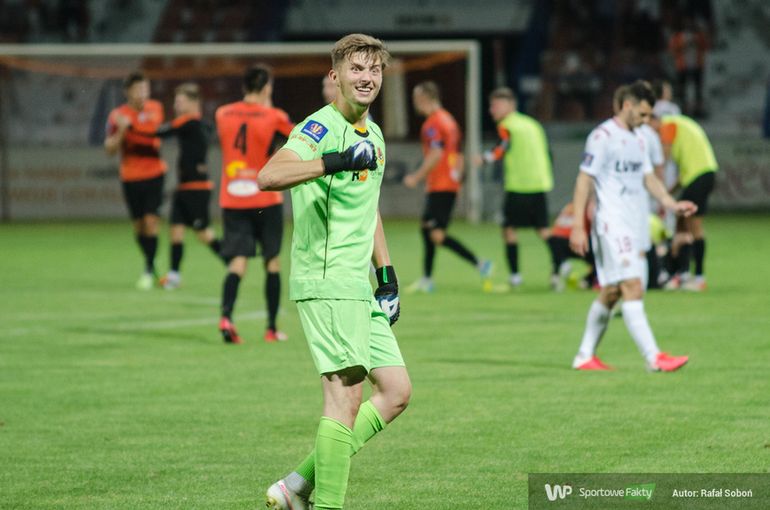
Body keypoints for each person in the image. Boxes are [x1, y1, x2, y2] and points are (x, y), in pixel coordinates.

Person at [257, 34, 411, 510]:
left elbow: (368, 207)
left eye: (374, 70)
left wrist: (386, 275)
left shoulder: (374, 134)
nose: (367, 78)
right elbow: (268, 176)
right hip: (326, 282)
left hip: (358, 284)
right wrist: (331, 162)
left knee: (396, 392)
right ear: (335, 76)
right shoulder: (318, 128)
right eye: (356, 69)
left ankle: (295, 487)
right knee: (345, 398)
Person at [569, 81, 696, 372]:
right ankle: (654, 358)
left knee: (612, 291)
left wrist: (671, 203)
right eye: (642, 114)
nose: (646, 120)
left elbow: (648, 177)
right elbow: (584, 180)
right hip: (611, 223)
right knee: (633, 286)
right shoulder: (602, 137)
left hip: (635, 224)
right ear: (626, 106)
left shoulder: (641, 138)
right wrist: (577, 225)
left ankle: (584, 355)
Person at [215, 64, 295, 344]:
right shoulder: (274, 116)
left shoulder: (222, 113)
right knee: (271, 261)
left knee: (238, 261)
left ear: (244, 86)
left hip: (233, 195)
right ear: (267, 87)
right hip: (265, 196)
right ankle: (271, 328)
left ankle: (226, 317)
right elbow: (298, 137)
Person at [131, 82, 223, 290]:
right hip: (185, 186)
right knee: (176, 231)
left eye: (180, 101)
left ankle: (231, 261)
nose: (176, 105)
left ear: (194, 103)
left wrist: (131, 127)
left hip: (197, 187)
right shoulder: (203, 125)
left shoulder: (189, 122)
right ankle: (173, 276)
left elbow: (159, 132)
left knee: (203, 233)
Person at [403, 81, 492, 293]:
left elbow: (436, 154)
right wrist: (457, 181)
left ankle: (480, 264)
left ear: (424, 98)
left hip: (440, 185)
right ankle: (428, 278)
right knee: (428, 230)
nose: (415, 103)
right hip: (447, 185)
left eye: (416, 98)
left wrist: (416, 177)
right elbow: (458, 155)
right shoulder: (449, 120)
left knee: (436, 234)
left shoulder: (433, 123)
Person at [477, 87, 561, 289]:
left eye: (496, 105)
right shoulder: (533, 124)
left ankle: (515, 276)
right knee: (543, 230)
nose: (492, 110)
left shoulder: (508, 125)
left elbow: (501, 148)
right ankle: (559, 267)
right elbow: (549, 153)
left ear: (510, 105)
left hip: (519, 185)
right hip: (539, 183)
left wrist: (484, 159)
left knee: (509, 230)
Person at [105, 71, 166, 290]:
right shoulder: (117, 115)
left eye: (145, 89)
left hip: (154, 174)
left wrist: (130, 125)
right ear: (128, 92)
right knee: (139, 227)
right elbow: (109, 149)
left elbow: (152, 133)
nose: (142, 93)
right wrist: (122, 130)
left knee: (151, 222)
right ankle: (152, 262)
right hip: (130, 176)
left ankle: (148, 270)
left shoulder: (155, 108)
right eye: (138, 89)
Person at [652, 112, 718, 291]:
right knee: (685, 224)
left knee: (690, 227)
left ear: (655, 120)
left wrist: (652, 178)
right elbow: (683, 176)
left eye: (649, 125)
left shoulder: (667, 124)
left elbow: (663, 159)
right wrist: (666, 195)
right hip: (703, 175)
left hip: (699, 177)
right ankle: (686, 274)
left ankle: (694, 276)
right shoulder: (680, 127)